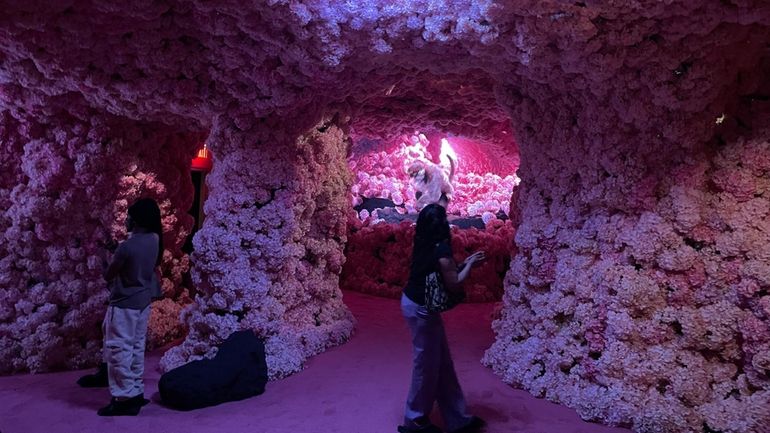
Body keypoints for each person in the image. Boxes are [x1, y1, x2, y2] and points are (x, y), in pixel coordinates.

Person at [399, 204, 486, 433]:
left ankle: (457, 417)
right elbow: (454, 282)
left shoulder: (423, 241)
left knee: (442, 364)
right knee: (426, 366)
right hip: (421, 310)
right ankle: (414, 420)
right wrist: (470, 264)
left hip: (415, 303)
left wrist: (464, 264)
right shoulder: (441, 249)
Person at [95, 198, 163, 416]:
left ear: (136, 220)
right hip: (143, 302)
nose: (126, 220)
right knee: (135, 347)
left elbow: (109, 275)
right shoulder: (154, 239)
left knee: (118, 350)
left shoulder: (127, 247)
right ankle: (136, 391)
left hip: (123, 304)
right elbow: (134, 258)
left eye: (128, 216)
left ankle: (124, 398)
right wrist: (116, 249)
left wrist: (102, 257)